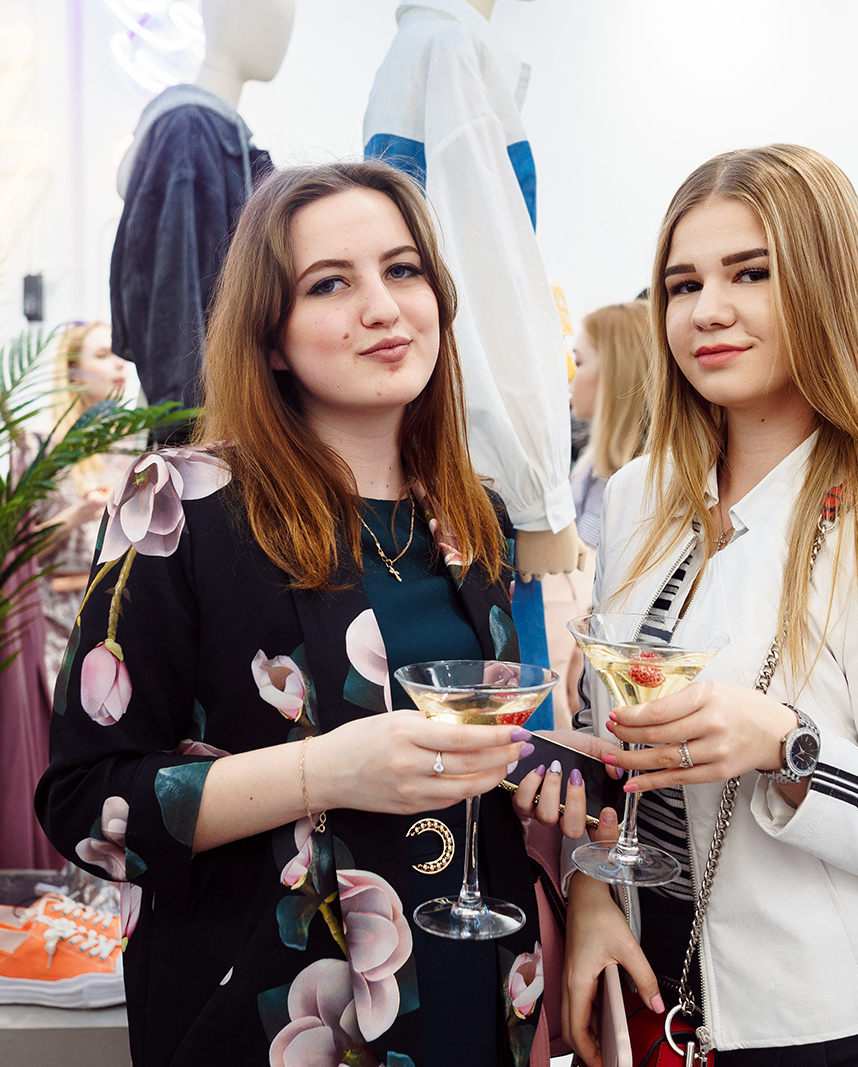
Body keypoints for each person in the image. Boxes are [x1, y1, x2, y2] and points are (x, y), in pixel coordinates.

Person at [38, 160, 561, 1067]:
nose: (383, 308)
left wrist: (547, 768)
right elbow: (88, 804)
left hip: (476, 997)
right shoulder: (181, 504)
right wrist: (325, 771)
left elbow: (460, 761)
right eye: (330, 284)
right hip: (277, 1020)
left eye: (403, 270)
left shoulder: (471, 514)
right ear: (271, 338)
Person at [559, 145, 858, 1066]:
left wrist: (791, 746)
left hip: (817, 1027)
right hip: (649, 991)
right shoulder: (639, 496)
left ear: (826, 291)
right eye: (683, 284)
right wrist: (592, 897)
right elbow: (615, 749)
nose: (707, 310)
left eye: (751, 274)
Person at [553, 300, 651, 720]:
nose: (569, 377)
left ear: (615, 372)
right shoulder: (591, 463)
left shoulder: (644, 484)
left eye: (579, 362)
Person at [35, 321, 138, 687]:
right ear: (73, 372)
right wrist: (78, 514)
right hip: (56, 623)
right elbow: (17, 549)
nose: (119, 363)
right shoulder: (43, 448)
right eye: (103, 354)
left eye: (120, 352)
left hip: (121, 620)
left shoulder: (136, 444)